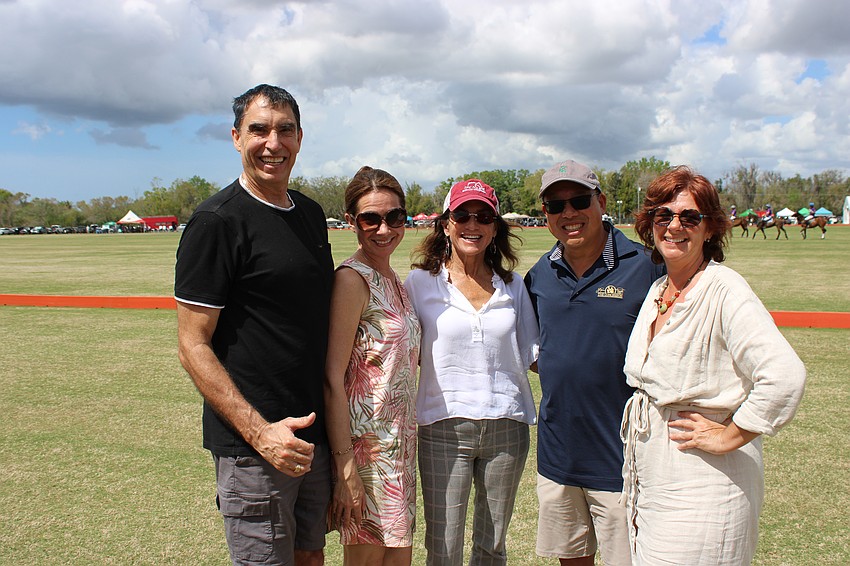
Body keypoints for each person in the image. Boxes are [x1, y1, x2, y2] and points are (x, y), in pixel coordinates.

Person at [175, 84, 334, 566]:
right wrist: (260, 432)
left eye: (285, 130)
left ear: (300, 138)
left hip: (312, 439)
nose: (273, 143)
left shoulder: (308, 214)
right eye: (259, 130)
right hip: (255, 448)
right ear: (236, 137)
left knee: (311, 556)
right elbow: (192, 344)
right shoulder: (217, 222)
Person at [621, 166, 806, 565]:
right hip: (655, 480)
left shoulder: (724, 289)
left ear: (710, 229)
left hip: (706, 484)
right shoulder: (659, 289)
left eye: (689, 217)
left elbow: (784, 376)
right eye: (663, 215)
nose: (674, 226)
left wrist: (727, 436)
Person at [524, 160, 664, 566]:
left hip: (624, 458)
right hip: (559, 456)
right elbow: (540, 351)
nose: (569, 213)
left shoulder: (646, 266)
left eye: (579, 200)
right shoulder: (539, 276)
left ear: (600, 202)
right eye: (556, 205)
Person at [404, 179, 539, 566]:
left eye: (483, 216)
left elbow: (534, 354)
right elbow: (400, 351)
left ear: (495, 227)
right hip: (442, 427)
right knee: (443, 548)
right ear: (446, 223)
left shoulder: (512, 286)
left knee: (492, 546)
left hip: (506, 428)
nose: (472, 224)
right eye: (462, 214)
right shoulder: (420, 283)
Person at [324, 166, 421, 565]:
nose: (384, 229)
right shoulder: (352, 279)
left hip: (400, 452)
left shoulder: (395, 279)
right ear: (352, 222)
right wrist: (345, 466)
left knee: (399, 560)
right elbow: (332, 378)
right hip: (365, 456)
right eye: (371, 219)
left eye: (394, 217)